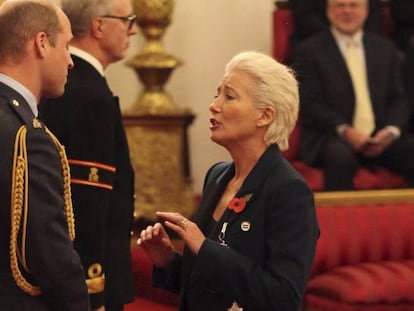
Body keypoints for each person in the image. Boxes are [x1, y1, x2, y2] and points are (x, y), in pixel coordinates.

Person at [138, 51, 319, 311]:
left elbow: (283, 298)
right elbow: (208, 285)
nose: (214, 105)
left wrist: (203, 247)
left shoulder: (289, 190)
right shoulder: (217, 176)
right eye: (217, 94)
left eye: (229, 96)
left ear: (265, 115)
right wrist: (168, 261)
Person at [39, 0, 138, 310]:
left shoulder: (74, 85)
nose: (132, 30)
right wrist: (93, 287)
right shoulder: (89, 94)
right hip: (91, 276)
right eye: (126, 20)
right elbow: (87, 205)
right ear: (98, 26)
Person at [0, 0, 90, 310]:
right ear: (41, 43)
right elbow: (51, 257)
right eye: (66, 46)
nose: (70, 61)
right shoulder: (28, 138)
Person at [294, 0, 414, 190]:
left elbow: (400, 98)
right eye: (340, 6)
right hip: (333, 136)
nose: (347, 11)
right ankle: (338, 220)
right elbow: (310, 104)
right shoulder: (309, 51)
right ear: (329, 12)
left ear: (365, 11)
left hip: (379, 137)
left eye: (353, 5)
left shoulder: (386, 49)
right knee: (340, 158)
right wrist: (346, 131)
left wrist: (391, 131)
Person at [289, 0, 381, 62]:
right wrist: (338, 38)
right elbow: (303, 15)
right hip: (314, 39)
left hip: (362, 40)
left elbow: (374, 15)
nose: (347, 11)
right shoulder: (307, 52)